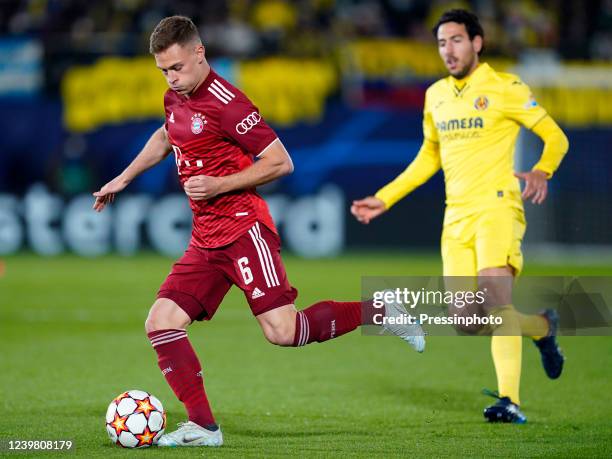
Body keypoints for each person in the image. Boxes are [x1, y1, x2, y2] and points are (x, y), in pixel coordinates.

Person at [93, 15, 424, 448]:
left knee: (283, 332)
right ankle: (203, 428)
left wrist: (219, 184)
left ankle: (379, 311)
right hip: (205, 238)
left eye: (176, 68)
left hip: (244, 231)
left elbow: (281, 162)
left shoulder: (230, 103)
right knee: (161, 322)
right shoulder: (175, 98)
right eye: (163, 71)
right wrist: (125, 176)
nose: (171, 78)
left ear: (199, 53)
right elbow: (166, 135)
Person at [351, 9, 568, 424]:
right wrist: (385, 197)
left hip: (497, 205)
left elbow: (555, 136)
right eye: (441, 43)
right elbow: (428, 157)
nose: (448, 50)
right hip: (457, 217)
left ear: (477, 42)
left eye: (456, 40)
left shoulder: (505, 87)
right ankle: (542, 328)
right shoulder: (435, 96)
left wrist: (542, 170)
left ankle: (510, 400)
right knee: (467, 320)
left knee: (495, 297)